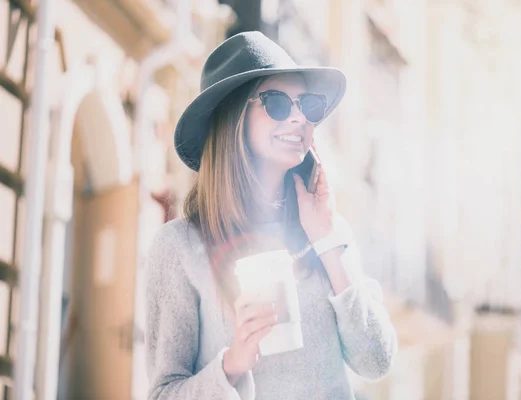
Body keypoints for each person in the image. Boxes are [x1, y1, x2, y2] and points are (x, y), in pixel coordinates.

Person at [145, 31, 398, 400]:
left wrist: (327, 241)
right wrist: (231, 364)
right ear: (233, 117)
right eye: (278, 103)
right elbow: (162, 394)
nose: (299, 118)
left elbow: (376, 361)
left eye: (308, 105)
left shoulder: (328, 229)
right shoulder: (179, 247)